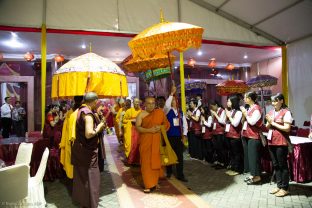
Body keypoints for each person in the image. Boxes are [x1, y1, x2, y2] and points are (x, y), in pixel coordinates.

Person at [71, 92, 106, 208]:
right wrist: (99, 127)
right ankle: (91, 205)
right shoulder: (88, 114)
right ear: (95, 101)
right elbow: (89, 133)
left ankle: (85, 204)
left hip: (79, 150)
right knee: (92, 179)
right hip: (88, 153)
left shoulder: (79, 111)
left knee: (82, 179)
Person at [136, 97, 170, 193]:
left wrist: (160, 127)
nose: (151, 105)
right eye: (149, 103)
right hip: (146, 141)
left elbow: (167, 124)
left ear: (155, 104)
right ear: (145, 104)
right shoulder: (141, 114)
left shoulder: (159, 113)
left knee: (156, 162)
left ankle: (154, 182)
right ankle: (148, 184)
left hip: (157, 141)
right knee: (146, 163)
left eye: (153, 103)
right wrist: (149, 130)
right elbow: (138, 127)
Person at [265, 93, 293, 197]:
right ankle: (279, 185)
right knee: (275, 165)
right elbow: (267, 127)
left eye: (276, 101)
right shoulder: (271, 112)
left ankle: (285, 188)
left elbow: (287, 128)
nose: (273, 103)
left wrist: (273, 122)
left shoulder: (286, 112)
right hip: (271, 140)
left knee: (282, 165)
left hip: (281, 141)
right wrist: (268, 122)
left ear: (281, 101)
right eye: (272, 101)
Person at [164, 85, 188, 182]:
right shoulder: (167, 111)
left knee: (180, 157)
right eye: (173, 100)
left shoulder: (181, 112)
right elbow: (166, 105)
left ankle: (180, 174)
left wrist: (185, 135)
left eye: (176, 100)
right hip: (169, 136)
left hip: (178, 137)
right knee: (169, 155)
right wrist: (171, 94)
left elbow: (185, 124)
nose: (175, 101)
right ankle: (169, 172)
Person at [240, 91, 263, 185]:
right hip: (247, 135)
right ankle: (252, 174)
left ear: (250, 99)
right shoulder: (250, 108)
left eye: (246, 97)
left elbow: (252, 122)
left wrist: (245, 113)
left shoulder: (257, 109)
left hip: (254, 136)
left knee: (254, 157)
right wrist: (244, 114)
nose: (244, 99)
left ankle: (257, 177)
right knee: (250, 157)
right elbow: (244, 122)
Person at [224, 95, 243, 176]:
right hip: (229, 135)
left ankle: (237, 169)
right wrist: (227, 116)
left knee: (236, 153)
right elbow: (226, 122)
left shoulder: (238, 112)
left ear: (233, 102)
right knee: (231, 153)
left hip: (235, 136)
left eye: (229, 101)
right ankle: (233, 168)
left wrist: (229, 116)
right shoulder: (231, 111)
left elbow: (235, 124)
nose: (227, 103)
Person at [122, 98, 141, 164]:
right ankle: (131, 160)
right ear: (133, 103)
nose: (137, 103)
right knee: (130, 144)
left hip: (138, 130)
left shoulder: (141, 111)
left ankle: (138, 161)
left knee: (138, 145)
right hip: (130, 129)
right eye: (135, 102)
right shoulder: (129, 111)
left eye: (138, 102)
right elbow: (123, 120)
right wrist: (131, 121)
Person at [210, 100, 226, 169]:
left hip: (220, 132)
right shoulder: (215, 111)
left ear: (216, 105)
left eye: (212, 106)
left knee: (220, 148)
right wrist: (213, 116)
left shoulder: (222, 111)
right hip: (214, 132)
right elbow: (212, 122)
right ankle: (218, 162)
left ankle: (222, 163)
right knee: (216, 148)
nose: (212, 108)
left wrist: (215, 114)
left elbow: (222, 121)